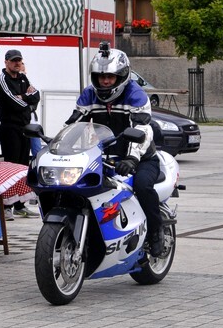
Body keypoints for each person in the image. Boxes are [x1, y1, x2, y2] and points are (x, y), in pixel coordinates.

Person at [64, 43, 164, 257]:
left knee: (143, 186)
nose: (106, 81)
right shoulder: (89, 95)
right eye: (101, 77)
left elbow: (142, 128)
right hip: (103, 158)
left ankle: (157, 231)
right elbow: (73, 124)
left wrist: (131, 158)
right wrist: (60, 148)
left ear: (121, 76)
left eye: (110, 77)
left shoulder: (136, 95)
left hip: (141, 159)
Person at [0, 49, 41, 216]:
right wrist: (26, 99)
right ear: (6, 62)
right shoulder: (2, 80)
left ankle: (20, 205)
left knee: (23, 167)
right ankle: (7, 206)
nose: (17, 63)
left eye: (19, 60)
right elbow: (13, 102)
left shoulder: (22, 77)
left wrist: (26, 98)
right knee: (10, 167)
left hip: (25, 128)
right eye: (13, 61)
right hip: (10, 128)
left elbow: (36, 95)